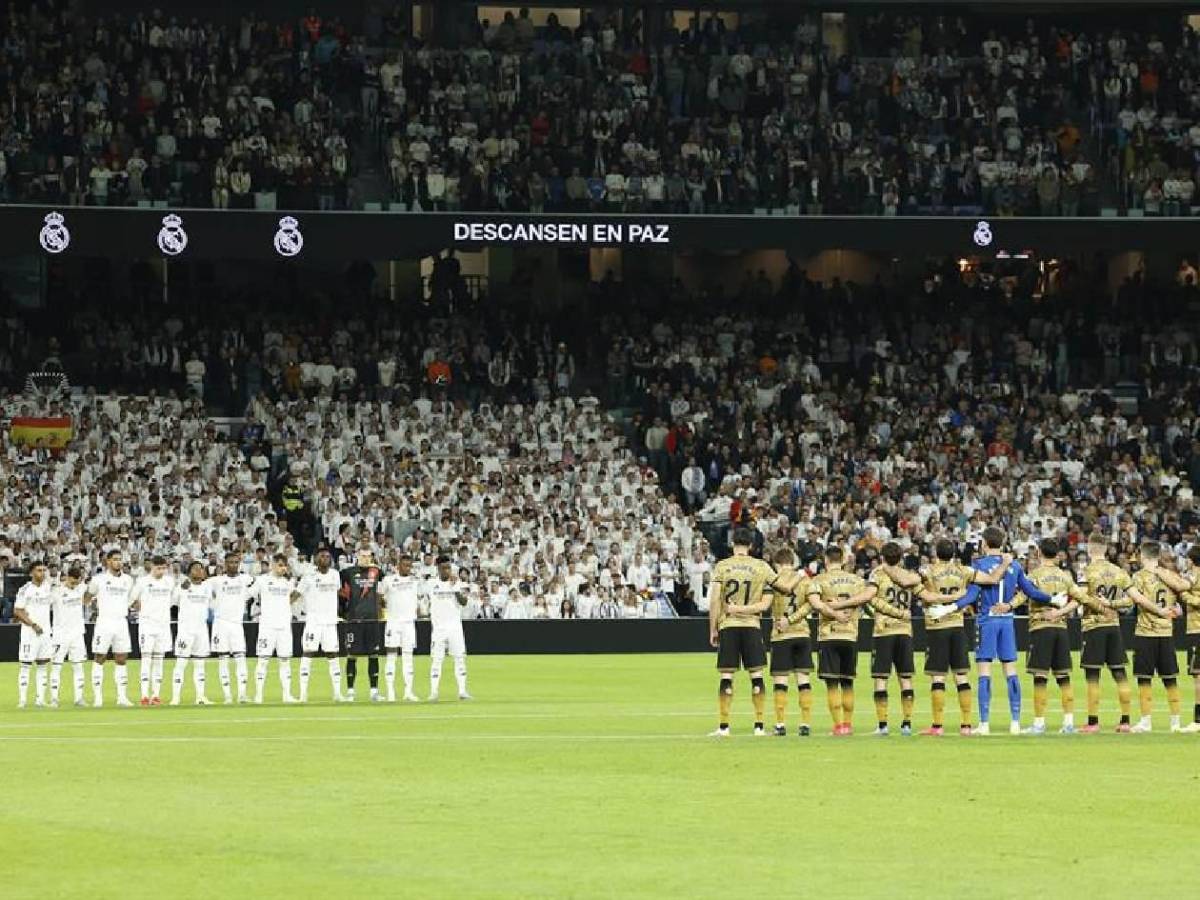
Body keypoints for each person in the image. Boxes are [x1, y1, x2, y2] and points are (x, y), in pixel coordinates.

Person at [930, 527, 1053, 735]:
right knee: (1010, 671)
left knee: (984, 672)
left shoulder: (979, 565)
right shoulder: (1014, 565)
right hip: (1007, 621)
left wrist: (949, 608)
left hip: (986, 621)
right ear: (1002, 542)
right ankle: (1015, 723)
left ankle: (984, 724)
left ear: (985, 543)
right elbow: (1031, 591)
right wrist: (1052, 599)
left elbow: (972, 595)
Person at [706, 527, 777, 737]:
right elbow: (774, 591)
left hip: (728, 625)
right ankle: (759, 726)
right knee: (756, 675)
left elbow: (714, 600)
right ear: (751, 545)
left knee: (727, 675)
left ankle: (724, 727)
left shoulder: (722, 566)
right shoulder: (761, 566)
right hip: (752, 625)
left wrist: (713, 628)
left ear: (732, 544)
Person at [919, 540, 990, 736]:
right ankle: (966, 725)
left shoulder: (928, 571)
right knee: (961, 676)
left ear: (936, 552)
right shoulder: (964, 571)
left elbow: (915, 586)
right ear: (953, 554)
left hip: (937, 627)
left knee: (938, 677)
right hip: (958, 626)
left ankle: (937, 726)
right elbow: (989, 579)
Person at [865, 543, 936, 736]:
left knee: (881, 678)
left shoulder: (877, 575)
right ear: (901, 558)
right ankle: (907, 723)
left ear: (882, 558)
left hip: (883, 631)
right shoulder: (909, 576)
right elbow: (926, 596)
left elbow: (870, 598)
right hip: (905, 631)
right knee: (905, 678)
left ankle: (882, 725)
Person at [1019, 540, 1087, 734]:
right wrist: (1060, 612)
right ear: (1057, 555)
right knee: (1063, 677)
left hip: (1040, 628)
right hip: (1061, 629)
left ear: (1039, 553)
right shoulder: (1065, 576)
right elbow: (1080, 598)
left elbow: (1022, 597)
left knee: (1040, 677)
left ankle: (1039, 723)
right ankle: (1069, 723)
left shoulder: (1034, 575)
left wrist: (1007, 606)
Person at [806, 545, 875, 736]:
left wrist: (834, 613)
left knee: (832, 684)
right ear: (843, 559)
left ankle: (838, 726)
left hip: (829, 635)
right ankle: (848, 725)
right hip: (850, 635)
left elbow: (816, 604)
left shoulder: (818, 580)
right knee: (847, 683)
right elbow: (868, 601)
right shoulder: (857, 581)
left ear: (826, 560)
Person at [1077, 534, 1135, 732]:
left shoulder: (1086, 571)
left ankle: (1093, 722)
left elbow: (1082, 598)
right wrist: (1112, 605)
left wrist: (1101, 607)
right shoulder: (1119, 571)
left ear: (1090, 548)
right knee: (1120, 673)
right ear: (1105, 548)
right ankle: (1125, 721)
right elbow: (1131, 600)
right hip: (1114, 626)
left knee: (1093, 675)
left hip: (1093, 626)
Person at [1126, 541, 1184, 733]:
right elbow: (1182, 601)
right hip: (1166, 632)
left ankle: (1145, 721)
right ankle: (1175, 723)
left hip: (1146, 632)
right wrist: (1177, 610)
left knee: (1144, 679)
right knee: (1170, 679)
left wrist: (1159, 610)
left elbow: (1137, 599)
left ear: (1143, 556)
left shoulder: (1138, 576)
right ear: (1158, 556)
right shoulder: (1170, 575)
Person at [766, 549, 814, 737]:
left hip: (781, 634)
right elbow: (810, 604)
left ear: (777, 563)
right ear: (792, 562)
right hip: (802, 632)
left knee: (781, 680)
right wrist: (794, 619)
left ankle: (780, 725)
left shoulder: (774, 580)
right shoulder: (805, 580)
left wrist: (785, 620)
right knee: (803, 680)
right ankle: (805, 724)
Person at [85, 550, 136, 707]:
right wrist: (93, 606)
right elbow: (87, 598)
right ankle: (98, 698)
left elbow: (131, 599)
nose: (118, 562)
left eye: (120, 559)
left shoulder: (128, 580)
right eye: (115, 559)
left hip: (121, 622)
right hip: (104, 622)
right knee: (99, 657)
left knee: (121, 659)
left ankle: (122, 697)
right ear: (108, 561)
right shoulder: (98, 579)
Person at [298, 547, 345, 703]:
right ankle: (303, 694)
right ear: (316, 559)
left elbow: (337, 593)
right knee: (308, 653)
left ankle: (337, 693)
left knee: (333, 655)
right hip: (313, 622)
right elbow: (297, 593)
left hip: (330, 622)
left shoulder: (335, 575)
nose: (325, 559)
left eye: (328, 556)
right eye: (322, 556)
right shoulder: (308, 577)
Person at [338, 546, 385, 702]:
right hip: (354, 620)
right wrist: (343, 611)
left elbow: (383, 589)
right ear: (357, 556)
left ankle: (374, 691)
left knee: (374, 655)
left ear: (371, 557)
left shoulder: (377, 572)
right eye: (363, 555)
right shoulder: (348, 572)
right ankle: (350, 692)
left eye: (368, 556)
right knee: (352, 655)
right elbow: (340, 591)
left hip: (372, 619)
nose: (365, 558)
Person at [131, 556, 178, 706]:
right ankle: (144, 695)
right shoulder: (142, 582)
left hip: (163, 626)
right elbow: (131, 599)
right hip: (147, 625)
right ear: (152, 567)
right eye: (158, 568)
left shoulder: (169, 581)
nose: (161, 571)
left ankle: (156, 695)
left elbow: (174, 599)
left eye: (164, 568)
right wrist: (138, 607)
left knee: (159, 660)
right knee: (146, 659)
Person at [252, 554, 298, 704]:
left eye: (284, 565)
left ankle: (287, 695)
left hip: (284, 626)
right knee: (263, 660)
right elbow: (249, 593)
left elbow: (293, 596)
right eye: (280, 565)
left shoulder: (288, 582)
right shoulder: (262, 580)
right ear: (272, 565)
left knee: (285, 661)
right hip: (267, 626)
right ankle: (258, 695)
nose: (283, 568)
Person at [209, 551, 253, 704]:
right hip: (220, 624)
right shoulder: (216, 581)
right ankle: (227, 696)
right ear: (225, 564)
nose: (233, 565)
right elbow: (198, 586)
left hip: (237, 625)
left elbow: (257, 584)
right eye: (230, 562)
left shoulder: (245, 579)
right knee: (223, 659)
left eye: (236, 562)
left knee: (241, 658)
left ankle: (242, 694)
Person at [426, 557, 470, 701]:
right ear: (438, 569)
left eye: (449, 568)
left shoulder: (457, 583)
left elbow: (464, 602)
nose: (447, 571)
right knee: (437, 660)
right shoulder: (431, 584)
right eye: (444, 568)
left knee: (459, 659)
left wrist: (455, 588)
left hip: (455, 628)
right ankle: (434, 692)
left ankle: (462, 691)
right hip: (439, 629)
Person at [380, 554, 422, 702]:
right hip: (393, 623)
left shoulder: (415, 581)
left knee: (408, 657)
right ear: (398, 566)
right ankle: (390, 692)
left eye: (409, 566)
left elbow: (418, 599)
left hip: (409, 623)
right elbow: (379, 596)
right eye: (405, 565)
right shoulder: (388, 580)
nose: (407, 568)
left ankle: (408, 692)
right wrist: (384, 609)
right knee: (391, 656)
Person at [171, 561, 213, 706]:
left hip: (201, 630)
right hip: (185, 630)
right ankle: (175, 697)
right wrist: (181, 588)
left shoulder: (207, 588)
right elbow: (173, 603)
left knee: (200, 664)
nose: (199, 571)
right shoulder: (182, 587)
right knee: (181, 663)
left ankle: (200, 697)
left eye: (201, 569)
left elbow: (211, 605)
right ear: (189, 572)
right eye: (195, 569)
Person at [13, 561, 53, 708]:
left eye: (43, 570)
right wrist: (33, 624)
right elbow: (18, 611)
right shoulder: (25, 589)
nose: (42, 573)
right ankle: (22, 700)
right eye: (38, 570)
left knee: (42, 664)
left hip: (45, 632)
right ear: (31, 573)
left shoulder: (49, 588)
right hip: (30, 633)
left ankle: (40, 699)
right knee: (26, 665)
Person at [49, 566, 89, 707]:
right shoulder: (56, 592)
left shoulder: (81, 588)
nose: (74, 585)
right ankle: (54, 699)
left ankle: (79, 698)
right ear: (67, 577)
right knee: (56, 666)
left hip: (77, 634)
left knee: (78, 665)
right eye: (72, 582)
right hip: (60, 634)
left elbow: (93, 591)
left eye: (77, 583)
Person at [1182, 546, 1200, 733]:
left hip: (1197, 630)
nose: (1185, 561)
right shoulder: (1190, 577)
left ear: (1193, 559)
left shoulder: (1195, 577)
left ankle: (1198, 720)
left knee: (1198, 676)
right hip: (1194, 628)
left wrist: (1186, 596)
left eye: (1187, 558)